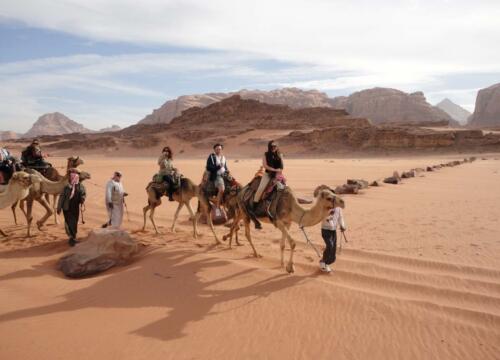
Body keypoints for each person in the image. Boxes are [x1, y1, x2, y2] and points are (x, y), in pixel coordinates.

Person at [57, 169, 86, 246]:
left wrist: (82, 198)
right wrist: (59, 208)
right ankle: (71, 238)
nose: (73, 178)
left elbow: (83, 193)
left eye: (74, 176)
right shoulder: (67, 187)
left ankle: (73, 237)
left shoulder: (80, 186)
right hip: (67, 208)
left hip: (75, 207)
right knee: (69, 222)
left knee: (74, 222)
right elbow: (61, 197)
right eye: (72, 176)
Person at [320, 205, 346, 273]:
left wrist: (342, 225)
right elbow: (324, 218)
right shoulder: (325, 206)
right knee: (330, 245)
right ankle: (323, 261)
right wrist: (329, 215)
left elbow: (340, 218)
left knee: (333, 249)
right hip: (325, 230)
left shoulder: (338, 208)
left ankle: (327, 264)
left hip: (333, 231)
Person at [205, 143, 228, 209]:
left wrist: (227, 171)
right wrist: (218, 167)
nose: (219, 150)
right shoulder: (212, 157)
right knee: (222, 189)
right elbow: (208, 167)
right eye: (217, 149)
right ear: (214, 150)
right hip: (217, 176)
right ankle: (217, 206)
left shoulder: (223, 157)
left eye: (220, 149)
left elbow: (225, 167)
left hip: (225, 175)